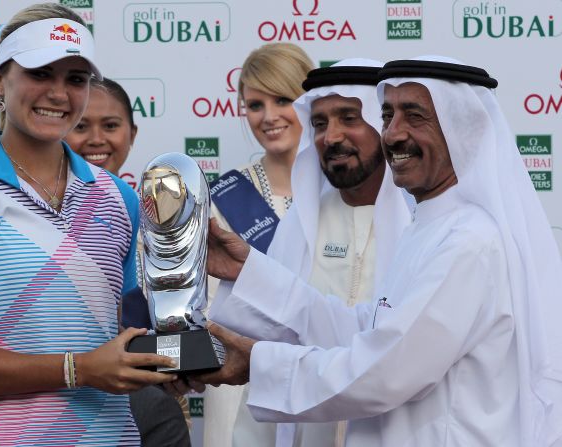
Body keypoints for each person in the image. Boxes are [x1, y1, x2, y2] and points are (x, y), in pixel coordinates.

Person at [189, 56, 562, 446]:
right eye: (387, 116)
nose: (394, 134)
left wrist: (259, 363)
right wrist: (249, 270)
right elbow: (364, 329)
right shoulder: (431, 227)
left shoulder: (470, 242)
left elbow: (387, 370)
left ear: (461, 128)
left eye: (414, 116)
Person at [0, 4, 177, 445]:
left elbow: (114, 336)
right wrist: (79, 369)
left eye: (75, 79)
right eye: (40, 73)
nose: (58, 93)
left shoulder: (119, 197)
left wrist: (172, 361)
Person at [201, 59, 412, 446]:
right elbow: (266, 339)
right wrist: (169, 356)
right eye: (319, 123)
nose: (330, 137)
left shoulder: (423, 223)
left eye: (349, 118)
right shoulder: (303, 222)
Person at [65, 77, 191, 447]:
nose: (96, 139)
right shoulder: (38, 221)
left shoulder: (164, 217)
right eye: (80, 126)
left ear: (132, 133)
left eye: (111, 126)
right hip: (61, 396)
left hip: (154, 398)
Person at [204, 42, 314, 447]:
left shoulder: (343, 189)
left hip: (324, 372)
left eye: (283, 99)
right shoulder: (223, 197)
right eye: (254, 105)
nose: (268, 117)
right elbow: (210, 303)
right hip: (241, 376)